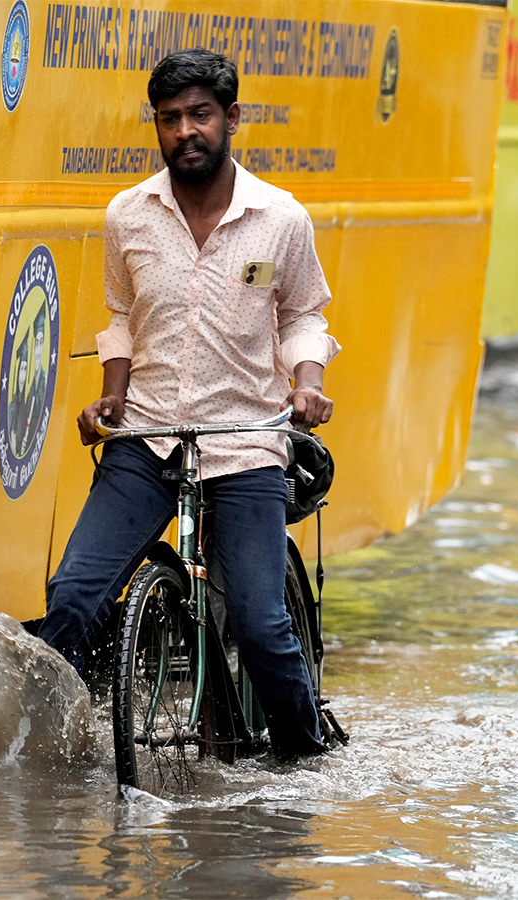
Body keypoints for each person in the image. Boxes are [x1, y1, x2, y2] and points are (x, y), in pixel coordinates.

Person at [37, 48, 340, 758]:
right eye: (170, 119)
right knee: (74, 599)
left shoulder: (281, 220)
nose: (185, 132)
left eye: (200, 115)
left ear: (231, 119)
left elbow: (304, 317)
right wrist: (109, 399)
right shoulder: (128, 215)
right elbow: (119, 317)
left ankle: (304, 764)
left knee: (264, 628)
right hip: (148, 436)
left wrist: (307, 383)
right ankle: (43, 757)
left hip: (244, 442)